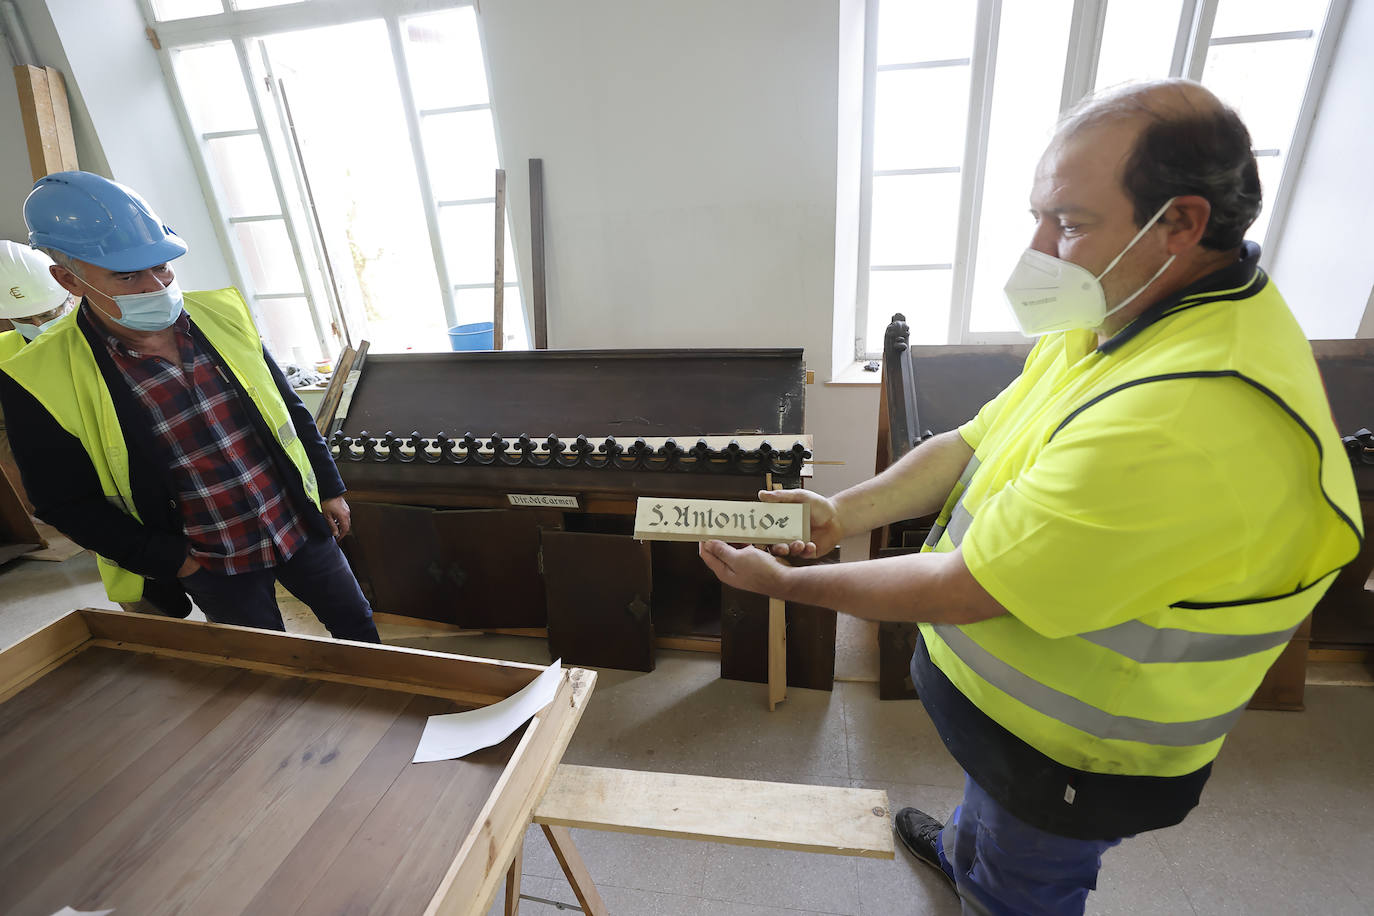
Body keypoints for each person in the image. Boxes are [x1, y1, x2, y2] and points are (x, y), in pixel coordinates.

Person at [699, 79, 1363, 915]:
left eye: (1072, 224)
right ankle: (970, 852)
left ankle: (994, 887)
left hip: (1082, 750)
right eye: (1038, 217)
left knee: (1025, 882)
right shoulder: (1116, 314)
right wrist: (841, 515)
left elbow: (963, 586)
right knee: (995, 821)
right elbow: (972, 442)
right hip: (1016, 716)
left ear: (1182, 222)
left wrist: (788, 585)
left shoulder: (1187, 415)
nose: (1040, 250)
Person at [0, 170, 380, 642]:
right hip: (210, 559)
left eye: (162, 265)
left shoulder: (222, 316)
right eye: (128, 275)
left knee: (357, 624)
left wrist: (328, 487)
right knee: (268, 667)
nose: (156, 285)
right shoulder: (39, 376)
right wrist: (171, 560)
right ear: (68, 280)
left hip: (296, 523)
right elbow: (61, 501)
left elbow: (287, 411)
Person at [0, 240, 73, 360]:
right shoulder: (4, 351)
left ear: (70, 301)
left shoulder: (103, 336)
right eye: (24, 319)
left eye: (47, 315)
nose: (37, 325)